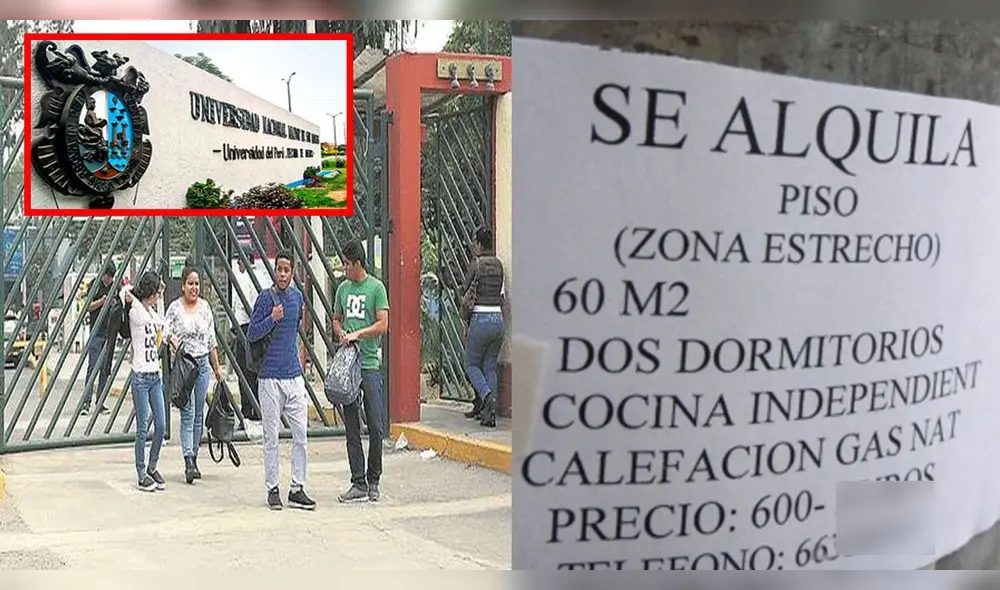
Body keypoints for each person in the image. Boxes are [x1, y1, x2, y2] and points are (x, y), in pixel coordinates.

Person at [247, 250, 315, 511]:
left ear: (293, 270)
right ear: (275, 271)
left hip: (294, 376)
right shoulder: (266, 298)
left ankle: (297, 487)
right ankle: (273, 488)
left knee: (301, 435)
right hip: (269, 378)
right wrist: (271, 319)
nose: (283, 274)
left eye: (287, 269)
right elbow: (252, 333)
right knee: (271, 437)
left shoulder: (297, 298)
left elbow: (295, 330)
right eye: (279, 269)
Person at [333, 241, 389, 504]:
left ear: (358, 264)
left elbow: (383, 325)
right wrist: (341, 332)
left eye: (347, 263)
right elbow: (336, 317)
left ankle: (374, 478)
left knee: (376, 425)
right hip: (348, 366)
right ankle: (358, 481)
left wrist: (359, 334)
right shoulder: (343, 289)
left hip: (368, 365)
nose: (344, 268)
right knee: (351, 427)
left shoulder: (376, 288)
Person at [165, 264, 224, 485]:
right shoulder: (174, 309)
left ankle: (195, 458)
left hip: (201, 366)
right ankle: (188, 459)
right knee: (187, 412)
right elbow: (164, 330)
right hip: (183, 366)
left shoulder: (205, 308)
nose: (194, 287)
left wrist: (217, 369)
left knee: (199, 411)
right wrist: (171, 339)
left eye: (197, 284)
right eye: (190, 283)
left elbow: (211, 341)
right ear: (183, 286)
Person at [122, 271, 168, 492]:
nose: (159, 295)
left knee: (161, 424)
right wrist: (139, 293)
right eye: (157, 291)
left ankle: (152, 465)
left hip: (155, 376)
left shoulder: (151, 313)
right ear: (150, 292)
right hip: (140, 376)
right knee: (142, 427)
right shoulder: (136, 313)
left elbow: (164, 326)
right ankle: (141, 471)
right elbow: (125, 292)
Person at [461, 226, 506, 428]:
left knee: (470, 364)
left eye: (474, 242)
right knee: (489, 365)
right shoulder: (499, 265)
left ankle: (487, 398)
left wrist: (464, 319)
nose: (473, 246)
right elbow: (503, 297)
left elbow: (465, 292)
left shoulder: (476, 265)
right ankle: (490, 412)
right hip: (498, 321)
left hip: (480, 319)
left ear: (479, 244)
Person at [232, 248, 263, 422]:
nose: (237, 263)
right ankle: (252, 410)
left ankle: (248, 411)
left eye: (240, 259)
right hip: (246, 328)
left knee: (246, 371)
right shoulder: (250, 278)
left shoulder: (248, 280)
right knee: (249, 371)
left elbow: (247, 307)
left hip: (246, 328)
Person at [82, 261, 117, 416]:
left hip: (109, 334)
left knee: (105, 370)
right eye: (107, 276)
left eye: (111, 277)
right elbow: (87, 306)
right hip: (96, 333)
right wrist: (102, 302)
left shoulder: (115, 287)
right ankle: (86, 403)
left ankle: (100, 402)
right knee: (93, 368)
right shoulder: (94, 285)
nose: (108, 279)